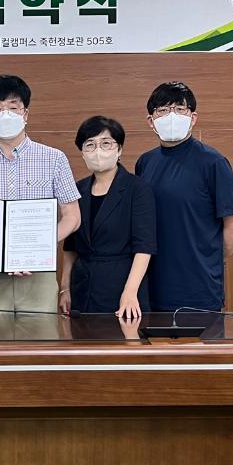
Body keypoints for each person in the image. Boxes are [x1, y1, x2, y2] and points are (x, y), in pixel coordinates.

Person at [0, 74, 81, 313]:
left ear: (25, 114)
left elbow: (72, 217)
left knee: (41, 336)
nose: (5, 114)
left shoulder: (53, 158)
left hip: (38, 278)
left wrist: (38, 248)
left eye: (13, 107)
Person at [135, 81, 233, 312]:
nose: (172, 116)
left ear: (193, 118)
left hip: (198, 289)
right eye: (163, 110)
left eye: (180, 109)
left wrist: (209, 259)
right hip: (152, 287)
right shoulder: (145, 162)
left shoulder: (213, 162)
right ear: (151, 120)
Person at [60, 116, 156, 319]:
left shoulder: (137, 188)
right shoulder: (78, 189)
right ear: (83, 153)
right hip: (82, 288)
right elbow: (70, 247)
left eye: (106, 143)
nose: (98, 151)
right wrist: (65, 288)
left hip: (121, 287)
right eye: (90, 145)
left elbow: (144, 247)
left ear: (119, 149)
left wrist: (130, 292)